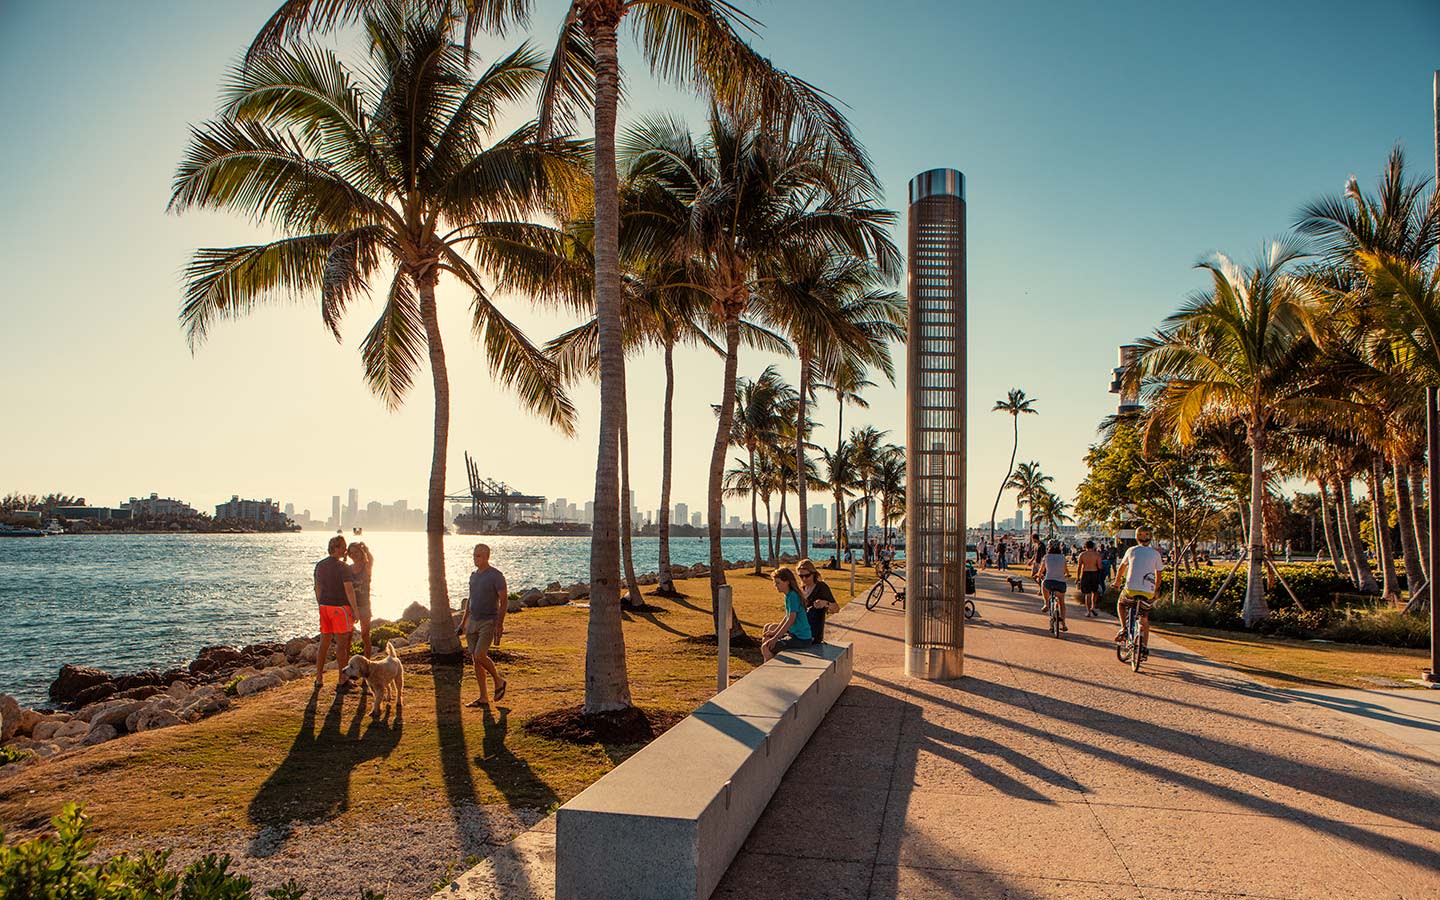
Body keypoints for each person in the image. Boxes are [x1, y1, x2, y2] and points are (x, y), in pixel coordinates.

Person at [457, 543, 508, 708]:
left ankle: (499, 680)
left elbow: (504, 600)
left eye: (478, 555)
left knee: (480, 654)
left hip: (489, 621)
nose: (475, 558)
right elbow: (470, 600)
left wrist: (499, 624)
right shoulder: (473, 576)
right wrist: (463, 622)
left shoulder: (496, 576)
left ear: (487, 557)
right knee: (476, 660)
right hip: (473, 622)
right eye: (474, 555)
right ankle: (483, 697)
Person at [313, 535, 359, 689]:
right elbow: (349, 590)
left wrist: (321, 603)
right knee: (342, 645)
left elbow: (317, 588)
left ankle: (319, 678)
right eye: (343, 546)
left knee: (324, 643)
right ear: (337, 548)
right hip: (340, 608)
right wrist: (355, 610)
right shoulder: (343, 567)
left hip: (325, 607)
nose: (346, 549)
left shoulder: (320, 565)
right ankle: (342, 678)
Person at [1114, 526, 1165, 658]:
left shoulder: (1131, 550)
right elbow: (1158, 575)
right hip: (1148, 592)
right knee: (1144, 620)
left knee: (1121, 603)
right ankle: (1143, 648)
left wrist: (1117, 582)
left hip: (1130, 590)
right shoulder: (1156, 554)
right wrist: (1156, 591)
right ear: (1151, 538)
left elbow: (1121, 568)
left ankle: (1124, 628)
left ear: (1136, 538)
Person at [761, 566, 813, 661]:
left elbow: (791, 619)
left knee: (766, 647)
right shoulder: (788, 595)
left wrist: (776, 637)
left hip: (801, 639)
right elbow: (787, 616)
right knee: (769, 628)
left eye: (778, 583)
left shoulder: (793, 596)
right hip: (795, 633)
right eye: (774, 583)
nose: (775, 585)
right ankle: (770, 658)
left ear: (787, 582)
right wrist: (774, 632)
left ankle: (769, 669)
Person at [797, 558, 838, 644]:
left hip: (813, 633)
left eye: (807, 575)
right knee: (769, 628)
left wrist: (825, 603)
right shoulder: (802, 589)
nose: (804, 579)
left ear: (813, 574)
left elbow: (836, 609)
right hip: (800, 628)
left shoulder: (821, 587)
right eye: (801, 576)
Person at [345, 541, 374, 657]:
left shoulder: (366, 566)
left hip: (364, 606)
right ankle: (346, 664)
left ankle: (367, 662)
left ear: (361, 552)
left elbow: (371, 560)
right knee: (348, 637)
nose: (354, 555)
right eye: (351, 553)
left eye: (356, 552)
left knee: (365, 635)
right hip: (350, 606)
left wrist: (366, 549)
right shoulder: (348, 568)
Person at [1040, 541, 1069, 631]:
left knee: (1043, 584)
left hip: (1049, 582)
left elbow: (1041, 570)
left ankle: (1046, 604)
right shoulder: (1062, 557)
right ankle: (1063, 623)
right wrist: (1067, 575)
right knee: (1062, 602)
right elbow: (1066, 571)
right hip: (1061, 584)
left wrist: (1038, 575)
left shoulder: (1046, 557)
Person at [1076, 540, 1103, 617]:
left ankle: (1088, 611)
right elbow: (1100, 566)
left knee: (1087, 594)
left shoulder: (1082, 555)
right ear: (1093, 546)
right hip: (1094, 573)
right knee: (1095, 591)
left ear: (1085, 546)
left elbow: (1079, 567)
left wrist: (1077, 577)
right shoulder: (1097, 555)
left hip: (1085, 574)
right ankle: (1093, 606)